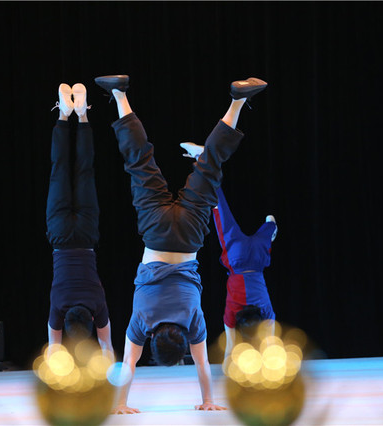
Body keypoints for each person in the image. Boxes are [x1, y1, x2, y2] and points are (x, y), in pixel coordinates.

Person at [95, 74, 267, 413]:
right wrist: (120, 404)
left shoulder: (192, 321)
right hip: (156, 232)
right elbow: (127, 364)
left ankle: (237, 101)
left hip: (189, 236)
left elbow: (203, 365)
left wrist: (208, 401)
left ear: (182, 344)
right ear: (153, 341)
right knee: (139, 162)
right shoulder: (142, 321)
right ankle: (118, 93)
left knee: (210, 163)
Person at [182, 140, 278, 360]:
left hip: (257, 259)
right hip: (237, 259)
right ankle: (202, 159)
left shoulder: (265, 310)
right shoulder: (232, 312)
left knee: (269, 224)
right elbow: (229, 352)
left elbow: (271, 343)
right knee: (219, 207)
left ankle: (271, 227)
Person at [46, 83, 113, 352]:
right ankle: (64, 114)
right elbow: (53, 350)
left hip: (86, 235)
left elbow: (106, 345)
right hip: (60, 236)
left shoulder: (98, 305)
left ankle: (82, 114)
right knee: (59, 170)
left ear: (92, 320)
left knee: (85, 170)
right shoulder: (58, 306)